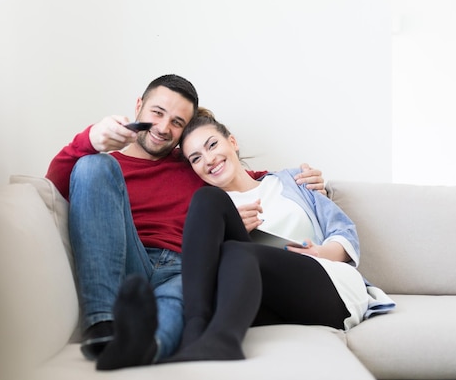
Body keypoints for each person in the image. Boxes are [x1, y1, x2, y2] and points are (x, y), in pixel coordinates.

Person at [45, 74, 326, 370]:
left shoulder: (195, 163)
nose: (164, 128)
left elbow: (246, 178)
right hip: (128, 258)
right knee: (92, 164)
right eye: (157, 113)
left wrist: (302, 180)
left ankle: (143, 347)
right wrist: (89, 140)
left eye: (177, 122)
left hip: (186, 266)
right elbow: (53, 186)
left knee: (180, 297)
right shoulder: (110, 167)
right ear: (139, 105)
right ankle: (103, 326)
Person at [161, 108, 395, 363]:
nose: (208, 159)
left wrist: (320, 251)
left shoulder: (293, 180)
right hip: (261, 295)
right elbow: (206, 271)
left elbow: (344, 231)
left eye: (212, 145)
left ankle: (218, 340)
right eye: (195, 158)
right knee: (212, 208)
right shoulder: (214, 210)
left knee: (237, 250)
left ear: (232, 142)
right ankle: (196, 333)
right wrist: (231, 230)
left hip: (324, 283)